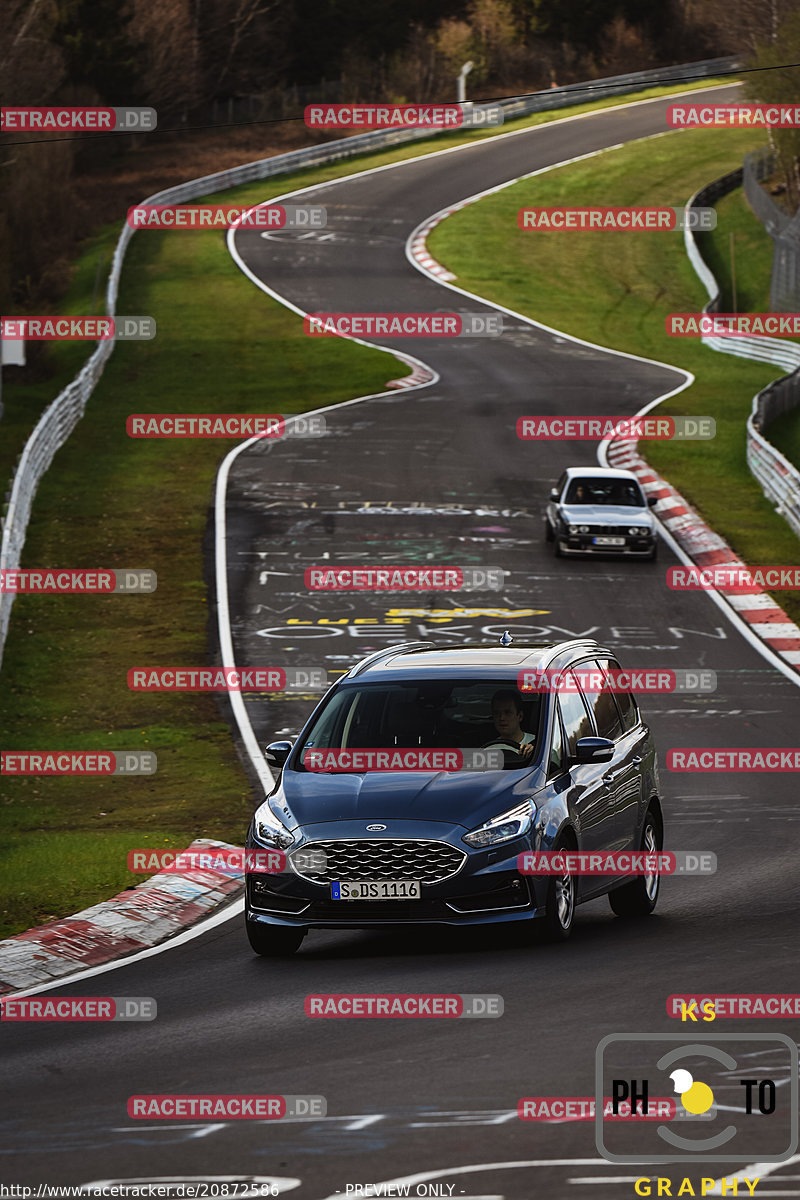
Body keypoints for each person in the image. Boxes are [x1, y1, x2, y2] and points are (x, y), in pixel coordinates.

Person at [485, 689, 535, 760]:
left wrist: (535, 756)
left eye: (507, 712)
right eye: (497, 713)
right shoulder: (487, 752)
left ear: (520, 716)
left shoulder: (539, 746)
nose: (501, 718)